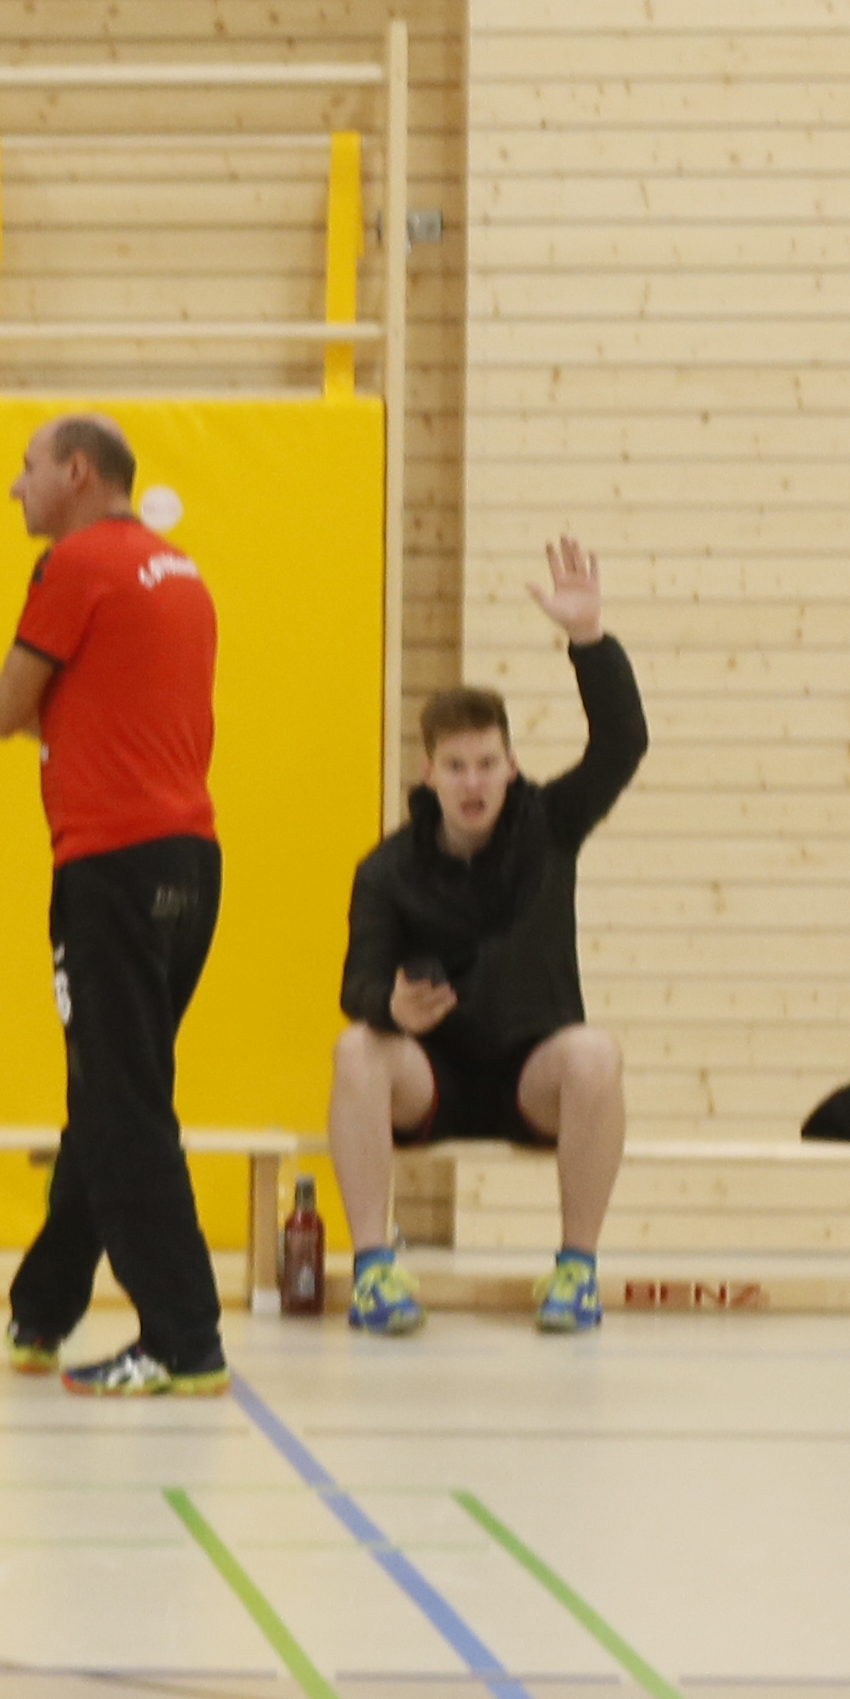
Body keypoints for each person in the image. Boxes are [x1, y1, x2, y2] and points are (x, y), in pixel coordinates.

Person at [0, 413, 227, 1398]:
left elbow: (0, 710)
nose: (14, 488)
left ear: (77, 473)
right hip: (191, 865)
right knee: (113, 1095)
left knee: (122, 1108)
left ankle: (184, 1338)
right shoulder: (175, 568)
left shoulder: (74, 566)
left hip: (110, 872)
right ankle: (44, 1307)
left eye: (26, 468)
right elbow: (90, 724)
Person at [332, 542, 645, 1336]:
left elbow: (621, 745)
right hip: (429, 1077)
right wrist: (392, 1005)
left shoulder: (548, 824)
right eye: (457, 766)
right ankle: (375, 1273)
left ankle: (575, 1272)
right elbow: (358, 984)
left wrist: (589, 641)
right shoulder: (388, 868)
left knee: (597, 1055)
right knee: (354, 1050)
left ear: (511, 767)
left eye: (488, 764)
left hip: (529, 1078)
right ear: (429, 773)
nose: (474, 783)